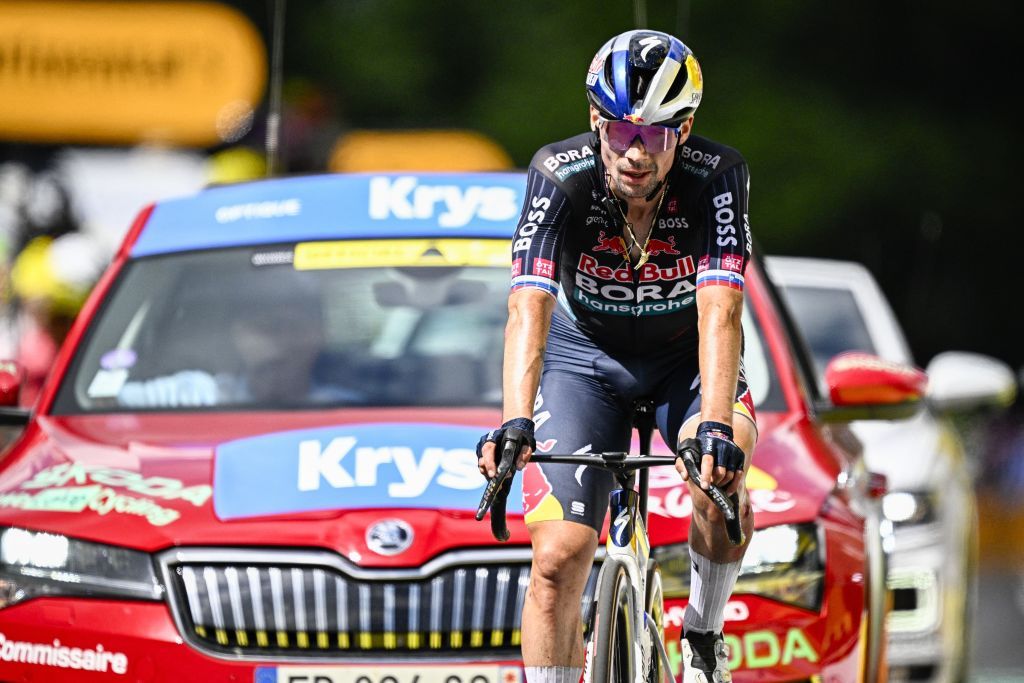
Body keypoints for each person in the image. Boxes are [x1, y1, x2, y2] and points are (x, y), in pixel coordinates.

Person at [477, 29, 756, 683]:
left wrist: (715, 425)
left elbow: (722, 309)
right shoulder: (559, 174)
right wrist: (515, 420)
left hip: (684, 360)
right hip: (584, 362)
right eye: (621, 132)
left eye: (654, 137)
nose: (634, 153)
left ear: (683, 133)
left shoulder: (718, 177)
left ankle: (704, 631)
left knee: (721, 483)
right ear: (595, 121)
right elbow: (528, 306)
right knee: (556, 558)